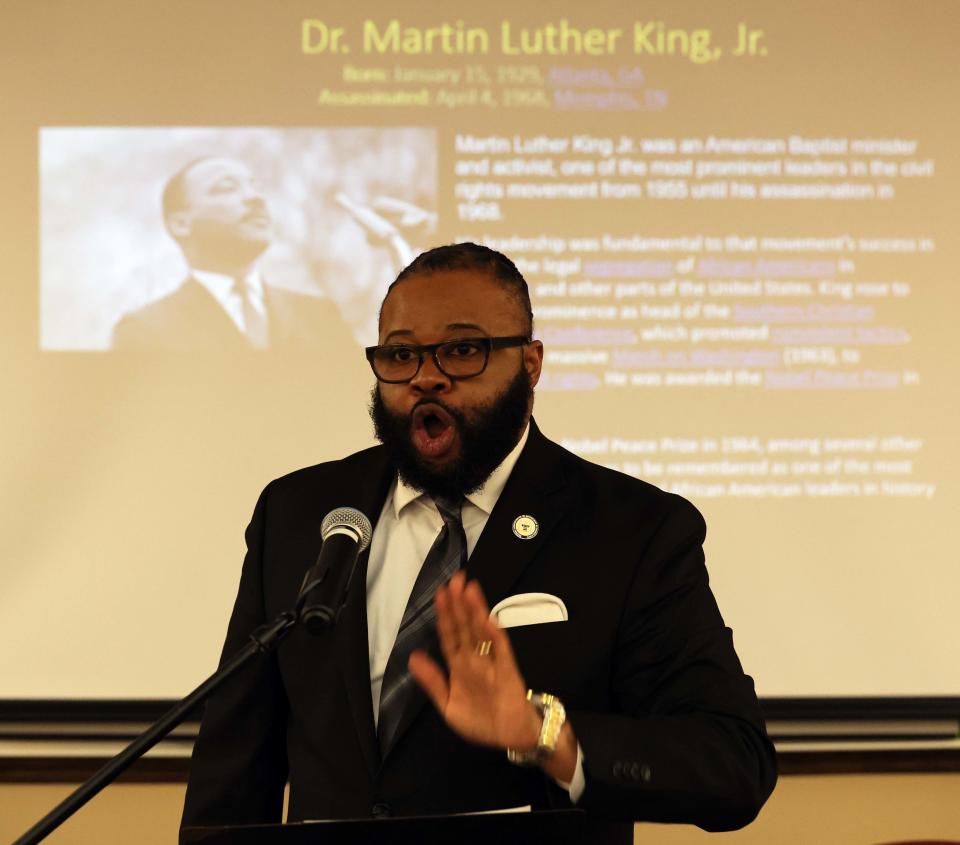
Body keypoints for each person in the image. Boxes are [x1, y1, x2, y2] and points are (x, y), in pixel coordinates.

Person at [180, 243, 777, 834]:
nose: (427, 378)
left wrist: (546, 733)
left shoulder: (632, 530)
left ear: (532, 362)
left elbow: (733, 762)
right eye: (401, 354)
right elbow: (233, 772)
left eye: (463, 350)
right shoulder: (300, 513)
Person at [111, 156, 359, 352]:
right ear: (180, 224)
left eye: (256, 186)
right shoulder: (146, 330)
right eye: (226, 188)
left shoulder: (321, 316)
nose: (255, 197)